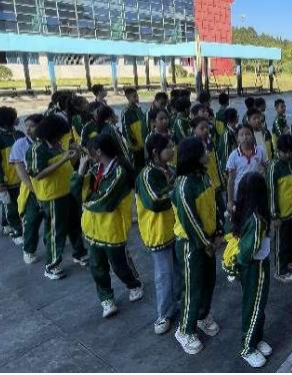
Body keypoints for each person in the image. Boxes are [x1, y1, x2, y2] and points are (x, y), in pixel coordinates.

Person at [74, 134, 143, 318]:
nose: (87, 155)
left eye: (89, 152)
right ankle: (106, 298)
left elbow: (107, 202)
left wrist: (86, 202)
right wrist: (80, 170)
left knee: (119, 265)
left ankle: (133, 284)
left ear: (98, 152)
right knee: (97, 266)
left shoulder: (119, 172)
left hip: (112, 228)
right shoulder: (95, 169)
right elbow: (76, 192)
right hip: (92, 228)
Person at [172, 138, 222, 356]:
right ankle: (185, 329)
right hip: (190, 244)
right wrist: (205, 244)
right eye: (203, 151)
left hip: (208, 240)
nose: (207, 153)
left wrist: (218, 231)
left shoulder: (204, 176)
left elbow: (213, 205)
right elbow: (189, 220)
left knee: (209, 281)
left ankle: (201, 316)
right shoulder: (184, 185)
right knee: (192, 287)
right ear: (194, 157)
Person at [28, 115, 89, 280]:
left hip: (68, 191)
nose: (63, 137)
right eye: (61, 134)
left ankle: (79, 252)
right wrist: (63, 159)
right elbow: (38, 174)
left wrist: (75, 154)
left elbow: (67, 163)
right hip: (53, 196)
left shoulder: (57, 144)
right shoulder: (37, 149)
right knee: (56, 231)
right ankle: (52, 265)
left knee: (74, 224)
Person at [224, 172, 272, 369]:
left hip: (256, 265)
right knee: (254, 306)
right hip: (255, 268)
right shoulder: (256, 219)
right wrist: (240, 263)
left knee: (257, 305)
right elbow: (247, 252)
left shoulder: (247, 211)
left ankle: (257, 338)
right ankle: (248, 347)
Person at [136, 134, 178, 335]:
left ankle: (179, 303)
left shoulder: (171, 169)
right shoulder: (146, 175)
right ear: (155, 153)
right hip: (158, 231)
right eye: (168, 147)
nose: (172, 150)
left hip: (175, 227)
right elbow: (154, 201)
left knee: (178, 271)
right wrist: (176, 191)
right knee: (164, 275)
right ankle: (163, 314)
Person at [265, 133, 292, 284]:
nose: (288, 155)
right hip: (281, 214)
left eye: (290, 152)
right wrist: (274, 215)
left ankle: (290, 262)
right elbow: (271, 192)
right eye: (284, 152)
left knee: (290, 239)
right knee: (281, 242)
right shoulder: (274, 167)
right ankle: (280, 271)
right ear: (278, 150)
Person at [0, 106, 25, 245]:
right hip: (6, 182)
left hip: (22, 179)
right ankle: (16, 232)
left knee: (19, 206)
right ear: (8, 120)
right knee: (11, 208)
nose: (17, 119)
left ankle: (7, 225)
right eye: (14, 117)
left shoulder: (20, 134)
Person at [10, 114, 44, 264]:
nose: (28, 130)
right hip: (31, 189)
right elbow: (20, 169)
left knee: (52, 220)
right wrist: (33, 189)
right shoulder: (21, 144)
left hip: (50, 187)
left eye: (32, 126)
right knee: (31, 220)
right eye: (27, 126)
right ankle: (29, 250)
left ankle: (54, 248)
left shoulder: (49, 142)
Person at [226, 124, 268, 215]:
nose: (245, 137)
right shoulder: (233, 155)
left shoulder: (260, 151)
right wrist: (230, 200)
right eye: (241, 135)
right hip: (240, 195)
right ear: (237, 138)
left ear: (253, 136)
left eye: (248, 134)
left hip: (257, 192)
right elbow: (231, 180)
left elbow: (267, 169)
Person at [121, 87, 149, 172]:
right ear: (128, 98)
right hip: (135, 146)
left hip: (143, 143)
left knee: (145, 163)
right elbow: (126, 130)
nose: (137, 98)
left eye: (137, 95)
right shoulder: (126, 112)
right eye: (134, 96)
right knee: (137, 166)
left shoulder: (138, 109)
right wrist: (132, 144)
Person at [217, 108, 239, 178]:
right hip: (231, 168)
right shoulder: (226, 134)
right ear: (235, 118)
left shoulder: (236, 130)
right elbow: (225, 154)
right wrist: (227, 170)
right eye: (237, 115)